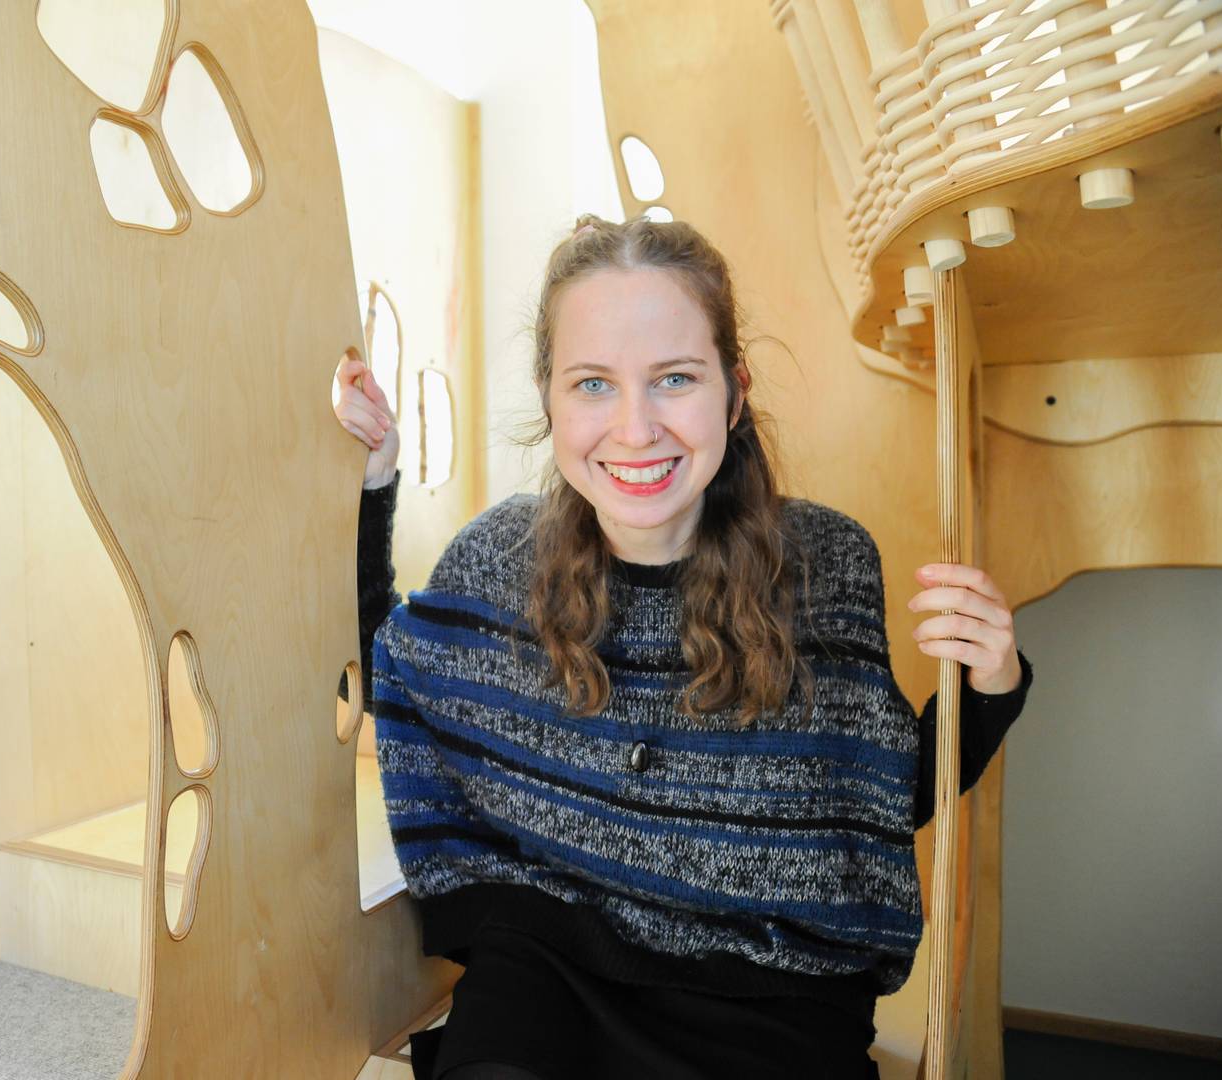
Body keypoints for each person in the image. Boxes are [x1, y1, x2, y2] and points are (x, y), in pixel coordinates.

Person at [331, 214, 1032, 1080]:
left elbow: (874, 802)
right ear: (549, 399)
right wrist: (375, 482)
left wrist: (990, 685)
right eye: (592, 384)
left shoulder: (828, 563)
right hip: (546, 974)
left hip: (778, 993)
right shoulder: (498, 557)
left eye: (673, 379)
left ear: (733, 395)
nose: (634, 429)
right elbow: (387, 671)